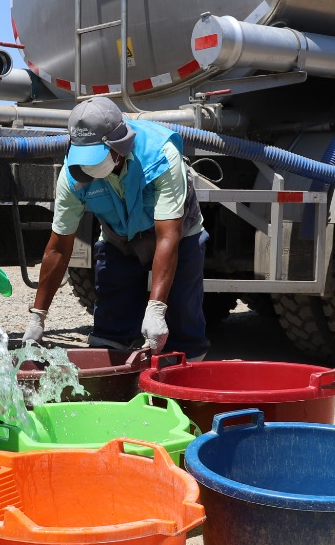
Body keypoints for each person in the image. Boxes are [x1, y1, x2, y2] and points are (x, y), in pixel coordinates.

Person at [25, 97, 209, 359]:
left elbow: (168, 235)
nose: (88, 167)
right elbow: (58, 247)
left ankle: (186, 385)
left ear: (118, 146)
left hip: (177, 238)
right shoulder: (72, 175)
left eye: (95, 157)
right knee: (111, 324)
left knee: (181, 324)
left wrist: (156, 308)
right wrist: (38, 316)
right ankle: (113, 381)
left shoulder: (160, 155)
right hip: (118, 238)